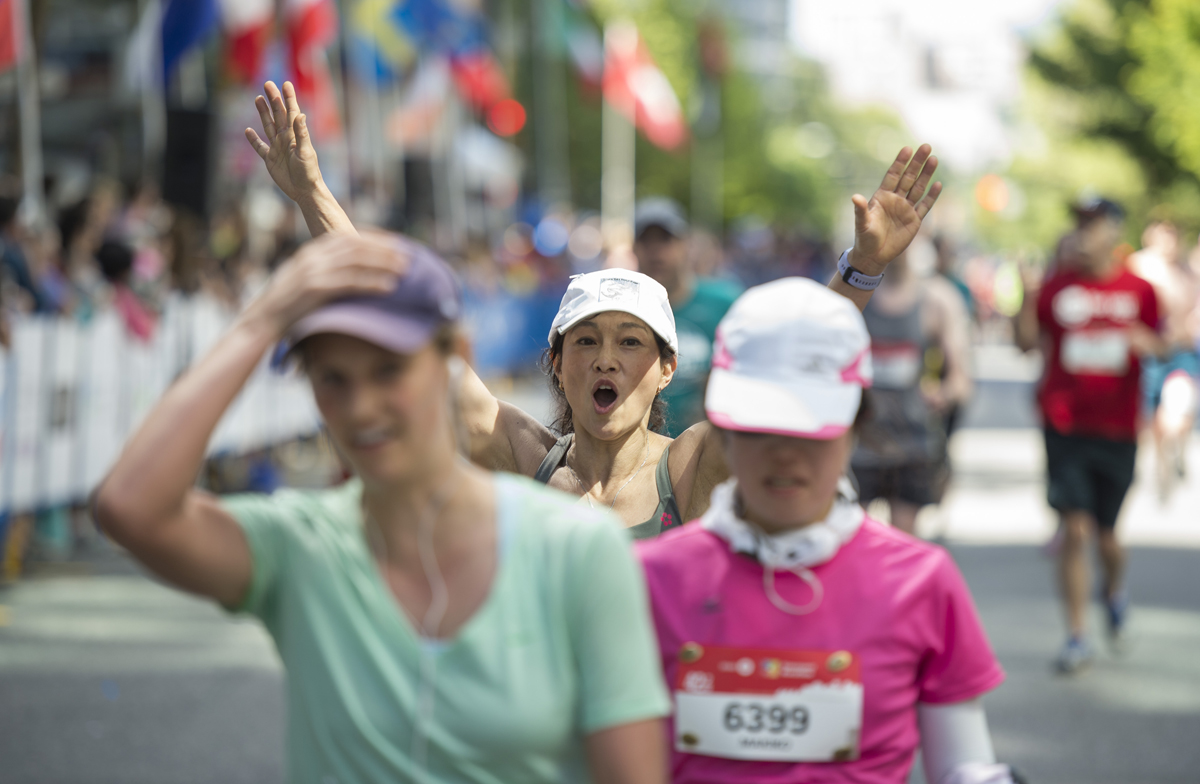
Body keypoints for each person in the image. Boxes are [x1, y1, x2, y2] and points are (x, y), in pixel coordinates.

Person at [94, 232, 671, 783]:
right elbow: (130, 506)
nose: (361, 407)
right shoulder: (304, 546)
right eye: (332, 378)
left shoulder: (576, 549)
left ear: (454, 360)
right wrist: (263, 318)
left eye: (389, 370)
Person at [244, 80, 944, 534]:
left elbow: (795, 363)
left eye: (631, 343)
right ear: (556, 364)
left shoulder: (694, 465)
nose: (607, 358)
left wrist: (865, 267)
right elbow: (396, 317)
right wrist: (313, 196)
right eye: (586, 342)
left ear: (668, 368)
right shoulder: (527, 460)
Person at [638, 278, 1019, 784]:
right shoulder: (649, 580)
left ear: (855, 424)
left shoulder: (920, 581)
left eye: (811, 426)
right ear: (721, 426)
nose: (786, 454)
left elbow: (962, 763)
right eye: (761, 425)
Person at [1015, 197, 1164, 673]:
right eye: (1078, 223)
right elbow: (1023, 344)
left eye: (1094, 224)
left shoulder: (1139, 289)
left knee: (1108, 539)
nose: (1083, 233)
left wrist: (1149, 343)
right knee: (1075, 529)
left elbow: (1164, 341)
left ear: (1115, 231)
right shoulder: (1057, 285)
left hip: (1118, 428)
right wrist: (1025, 295)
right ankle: (1077, 636)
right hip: (1065, 423)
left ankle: (1115, 590)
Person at [852, 251, 972, 534]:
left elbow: (960, 380)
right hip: (861, 442)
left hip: (912, 442)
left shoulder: (937, 299)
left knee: (902, 544)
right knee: (854, 541)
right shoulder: (855, 293)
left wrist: (943, 393)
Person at [632, 198, 742, 436]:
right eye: (646, 241)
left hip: (710, 453)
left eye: (665, 240)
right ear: (634, 248)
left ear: (685, 244)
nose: (656, 251)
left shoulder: (725, 303)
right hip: (641, 454)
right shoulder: (623, 310)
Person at [1127, 220, 1200, 500]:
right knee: (1153, 416)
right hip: (1151, 353)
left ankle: (1178, 447)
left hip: (1181, 351)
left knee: (1182, 406)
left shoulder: (1187, 269)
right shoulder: (1139, 266)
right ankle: (1162, 466)